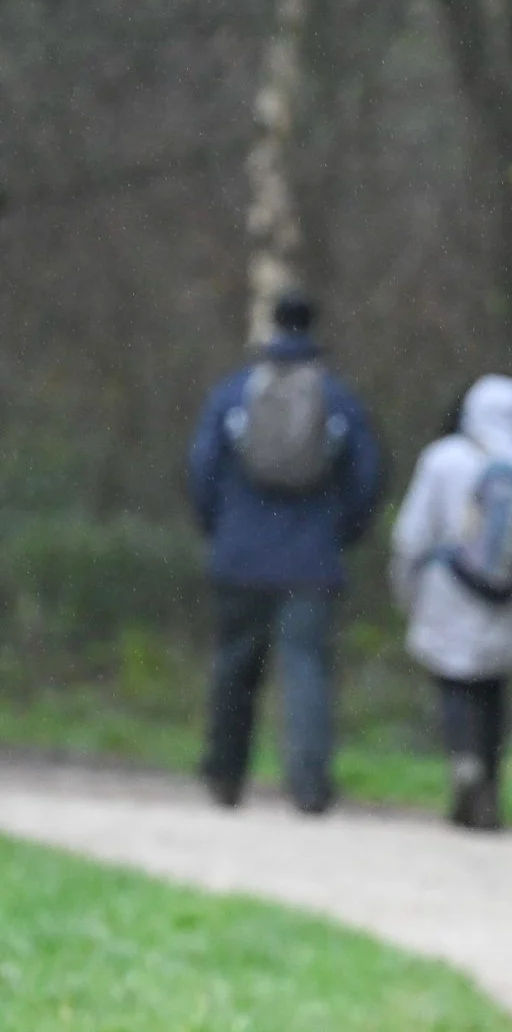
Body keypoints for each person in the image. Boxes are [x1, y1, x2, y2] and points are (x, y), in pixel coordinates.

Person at [185, 290, 385, 813]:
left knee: (234, 667)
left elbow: (201, 472)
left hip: (240, 555)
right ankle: (310, 784)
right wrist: (341, 533)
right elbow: (367, 478)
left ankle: (225, 775)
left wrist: (220, 529)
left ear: (273, 325)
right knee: (307, 670)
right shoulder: (338, 400)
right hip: (313, 558)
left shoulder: (233, 395)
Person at [387, 375, 512, 830]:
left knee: (455, 681)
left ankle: (463, 761)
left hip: (447, 590)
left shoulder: (443, 459)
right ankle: (489, 783)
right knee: (493, 689)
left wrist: (405, 583)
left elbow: (412, 533)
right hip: (510, 600)